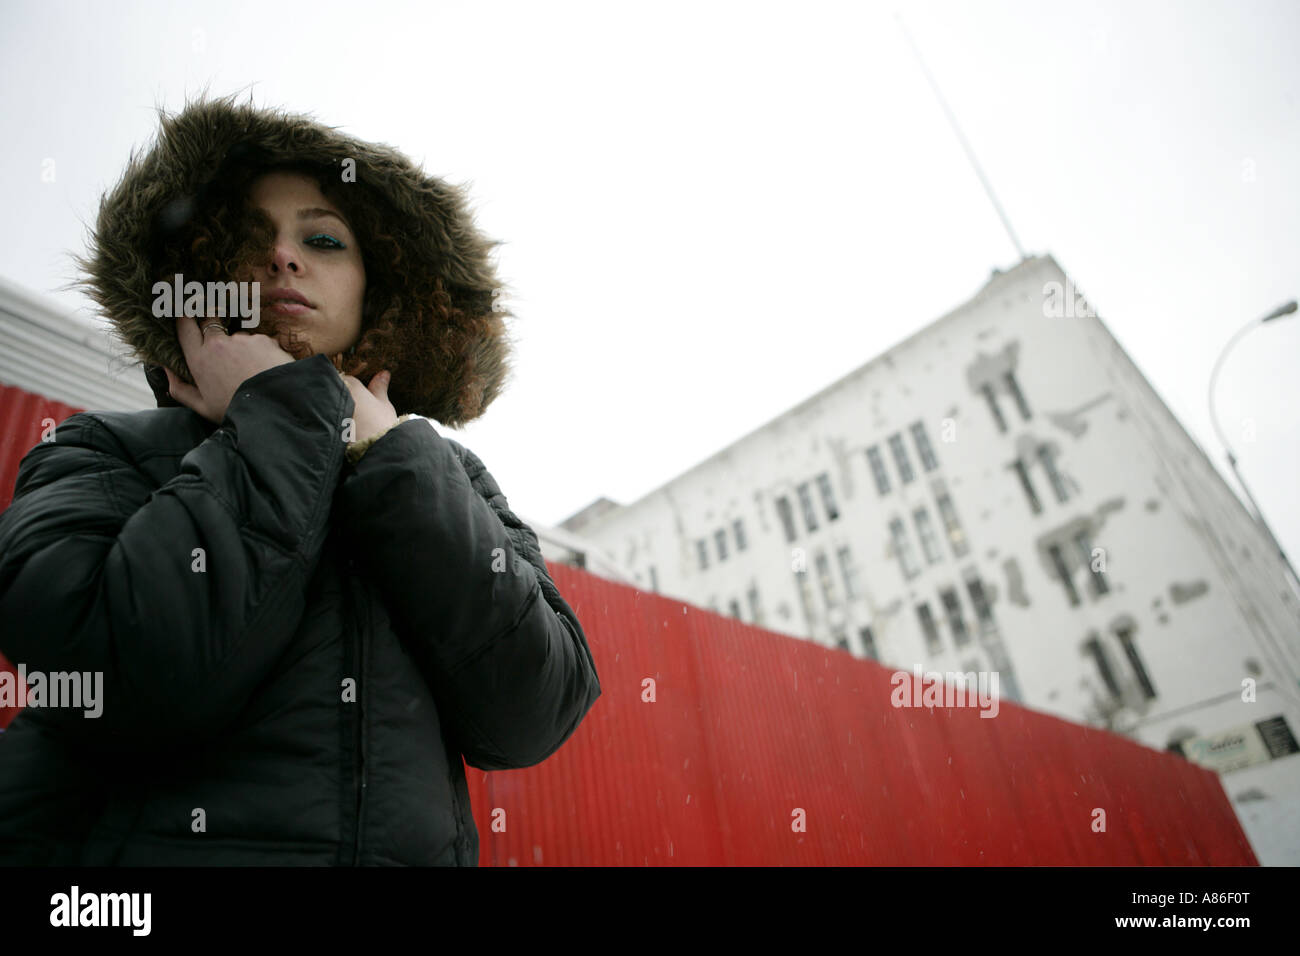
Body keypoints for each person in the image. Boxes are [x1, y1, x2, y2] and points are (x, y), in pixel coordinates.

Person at [0, 95, 602, 866]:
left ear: (376, 292)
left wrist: (391, 460)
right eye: (250, 239)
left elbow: (533, 712)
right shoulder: (106, 450)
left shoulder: (446, 478)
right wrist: (282, 411)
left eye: (322, 238)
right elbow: (109, 673)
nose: (284, 257)